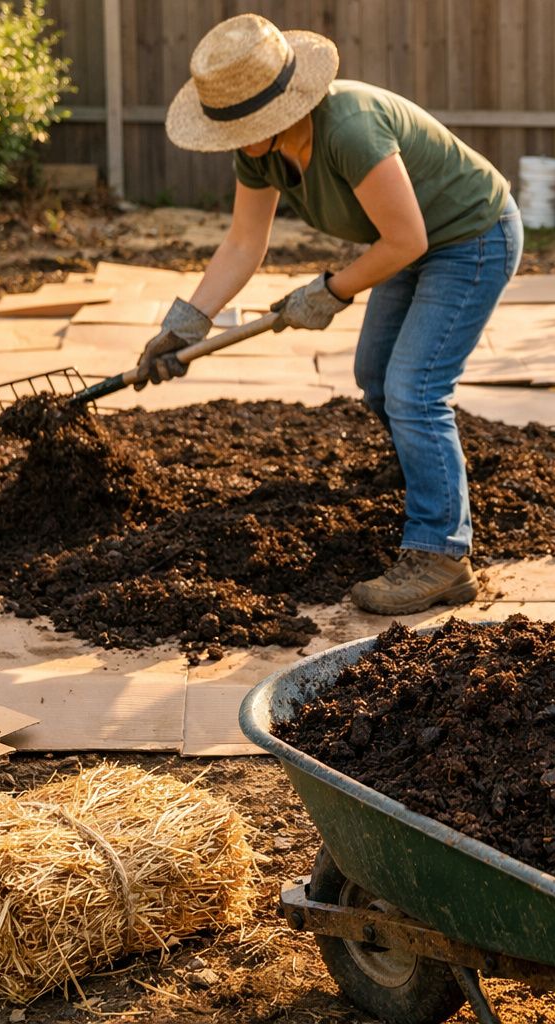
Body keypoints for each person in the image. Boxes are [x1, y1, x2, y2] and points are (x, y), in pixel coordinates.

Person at [134, 13, 522, 616]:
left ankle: (442, 553)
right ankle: (431, 485)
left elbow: (408, 240)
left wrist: (329, 291)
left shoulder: (350, 127)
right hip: (409, 243)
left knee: (415, 389)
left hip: (471, 236)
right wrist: (187, 320)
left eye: (241, 127)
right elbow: (243, 243)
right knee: (376, 376)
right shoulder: (258, 154)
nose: (234, 141)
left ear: (282, 110)